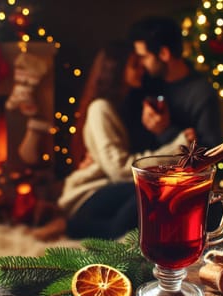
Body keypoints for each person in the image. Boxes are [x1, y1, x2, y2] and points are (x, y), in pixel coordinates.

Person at [31, 41, 193, 241]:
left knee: (152, 201)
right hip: (89, 195)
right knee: (153, 192)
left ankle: (81, 228)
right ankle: (69, 227)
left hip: (112, 190)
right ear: (116, 69)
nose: (142, 69)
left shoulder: (125, 105)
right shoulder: (100, 108)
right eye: (134, 65)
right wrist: (177, 150)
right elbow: (119, 170)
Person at [129, 16, 222, 150]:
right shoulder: (145, 83)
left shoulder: (201, 93)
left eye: (144, 57)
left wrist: (164, 131)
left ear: (164, 53)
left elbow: (212, 153)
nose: (141, 64)